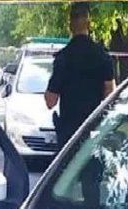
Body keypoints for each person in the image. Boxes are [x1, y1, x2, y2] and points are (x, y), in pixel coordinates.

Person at [45, 3, 115, 149]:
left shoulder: (63, 58)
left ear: (70, 25)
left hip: (69, 134)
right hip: (94, 131)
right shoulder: (102, 56)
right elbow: (110, 94)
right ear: (89, 24)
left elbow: (50, 101)